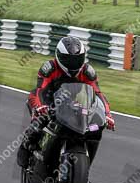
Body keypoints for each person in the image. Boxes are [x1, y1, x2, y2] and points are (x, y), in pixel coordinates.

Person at [17, 36, 115, 167]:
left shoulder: (87, 72)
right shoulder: (49, 68)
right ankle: (25, 146)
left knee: (93, 127)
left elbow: (97, 94)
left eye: (76, 60)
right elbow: (41, 90)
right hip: (48, 99)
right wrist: (41, 107)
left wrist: (107, 115)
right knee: (40, 119)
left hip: (74, 102)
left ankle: (83, 165)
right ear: (59, 56)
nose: (73, 64)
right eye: (68, 60)